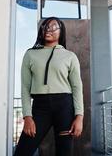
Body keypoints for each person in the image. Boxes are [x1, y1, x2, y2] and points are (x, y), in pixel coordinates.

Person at [13, 16, 84, 156]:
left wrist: (79, 117)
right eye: (45, 26)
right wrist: (27, 116)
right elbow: (25, 87)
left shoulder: (70, 56)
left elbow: (77, 87)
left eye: (53, 27)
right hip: (40, 108)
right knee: (22, 152)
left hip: (64, 107)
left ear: (61, 31)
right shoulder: (30, 54)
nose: (48, 29)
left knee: (64, 153)